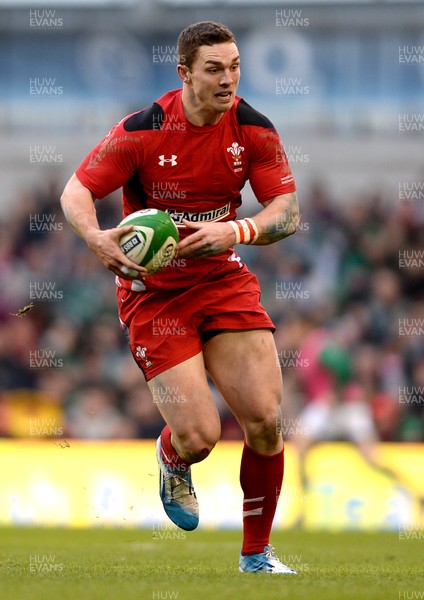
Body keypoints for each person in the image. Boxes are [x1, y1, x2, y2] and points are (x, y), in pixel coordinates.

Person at [61, 21, 300, 574]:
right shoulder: (143, 130)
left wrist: (237, 232)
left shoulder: (253, 128)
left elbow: (286, 213)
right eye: (214, 69)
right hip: (155, 295)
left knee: (265, 419)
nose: (228, 79)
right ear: (185, 73)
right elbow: (78, 190)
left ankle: (256, 556)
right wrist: (96, 237)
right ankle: (173, 458)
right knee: (199, 436)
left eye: (235, 66)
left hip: (222, 278)